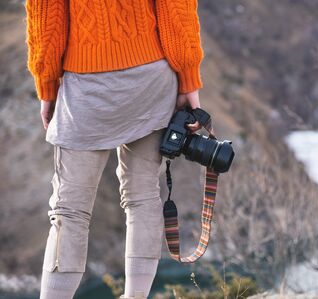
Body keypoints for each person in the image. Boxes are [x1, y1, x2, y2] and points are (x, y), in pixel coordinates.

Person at [25, 0, 204, 298]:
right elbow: (177, 7)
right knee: (143, 195)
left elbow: (46, 14)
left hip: (86, 84)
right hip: (151, 77)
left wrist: (47, 85)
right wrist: (188, 80)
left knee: (69, 211)